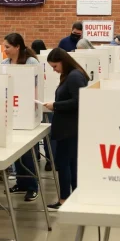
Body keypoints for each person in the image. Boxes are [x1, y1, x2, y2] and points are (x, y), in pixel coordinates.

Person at [44, 48, 89, 210]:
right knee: (70, 163)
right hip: (70, 127)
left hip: (69, 128)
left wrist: (55, 105)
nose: (54, 70)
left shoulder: (74, 76)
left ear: (63, 61)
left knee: (64, 164)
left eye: (55, 66)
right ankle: (73, 197)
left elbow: (79, 101)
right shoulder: (73, 75)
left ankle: (65, 199)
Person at [2, 33, 39, 201]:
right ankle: (21, 183)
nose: (5, 50)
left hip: (27, 110)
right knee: (15, 149)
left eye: (8, 47)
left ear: (17, 47)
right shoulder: (4, 64)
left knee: (28, 153)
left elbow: (37, 84)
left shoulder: (31, 62)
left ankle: (32, 186)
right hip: (11, 109)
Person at [30, 39, 56, 171]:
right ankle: (50, 161)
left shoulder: (32, 64)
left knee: (35, 132)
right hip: (49, 100)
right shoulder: (47, 61)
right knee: (48, 135)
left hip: (36, 101)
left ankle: (35, 158)